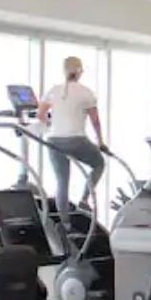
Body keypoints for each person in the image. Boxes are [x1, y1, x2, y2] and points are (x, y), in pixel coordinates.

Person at [39, 56, 107, 218]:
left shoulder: (53, 90)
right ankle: (84, 199)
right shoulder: (86, 92)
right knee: (99, 164)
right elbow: (95, 121)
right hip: (76, 140)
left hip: (54, 141)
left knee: (62, 181)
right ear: (80, 72)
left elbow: (41, 114)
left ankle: (65, 223)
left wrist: (50, 124)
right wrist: (100, 142)